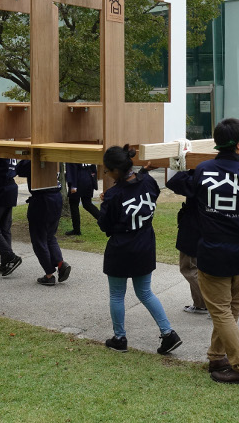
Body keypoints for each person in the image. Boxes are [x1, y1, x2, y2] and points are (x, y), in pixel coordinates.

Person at [170, 118, 239, 385]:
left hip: (213, 254)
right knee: (229, 311)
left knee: (223, 312)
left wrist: (181, 159)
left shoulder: (203, 170)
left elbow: (177, 182)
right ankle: (217, 357)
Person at [98, 145, 182, 355]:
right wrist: (144, 171)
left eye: (107, 171)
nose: (107, 174)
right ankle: (168, 333)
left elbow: (105, 226)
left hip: (121, 248)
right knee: (145, 292)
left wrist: (105, 204)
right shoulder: (149, 181)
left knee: (117, 295)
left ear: (116, 171)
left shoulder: (113, 195)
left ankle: (119, 338)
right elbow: (142, 188)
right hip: (145, 243)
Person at [16, 160, 72, 285]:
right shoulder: (52, 154)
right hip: (56, 198)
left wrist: (28, 154)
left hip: (41, 200)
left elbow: (19, 169)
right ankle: (60, 263)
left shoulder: (35, 157)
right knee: (50, 236)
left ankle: (49, 274)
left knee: (39, 239)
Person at [166, 170, 207, 314]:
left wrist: (187, 167)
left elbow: (173, 181)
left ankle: (209, 302)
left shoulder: (200, 176)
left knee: (189, 267)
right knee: (199, 268)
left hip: (194, 227)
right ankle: (201, 304)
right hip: (208, 226)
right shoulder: (216, 172)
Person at [0, 158, 23, 275]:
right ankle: (6, 262)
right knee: (4, 228)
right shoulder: (8, 147)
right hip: (10, 187)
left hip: (1, 188)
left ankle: (10, 257)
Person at [64, 163, 100, 236]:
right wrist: (93, 180)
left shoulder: (73, 153)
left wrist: (73, 184)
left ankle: (76, 230)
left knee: (74, 204)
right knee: (87, 204)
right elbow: (93, 167)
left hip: (77, 178)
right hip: (88, 177)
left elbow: (72, 167)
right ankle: (105, 220)